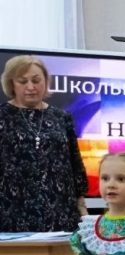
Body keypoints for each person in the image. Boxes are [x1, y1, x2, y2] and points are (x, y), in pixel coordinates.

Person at [0, 54, 87, 232]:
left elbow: (75, 163)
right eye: (22, 81)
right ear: (11, 84)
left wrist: (82, 207)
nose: (30, 87)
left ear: (46, 81)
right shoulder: (2, 116)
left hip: (61, 210)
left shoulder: (62, 117)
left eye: (36, 80)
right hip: (11, 211)